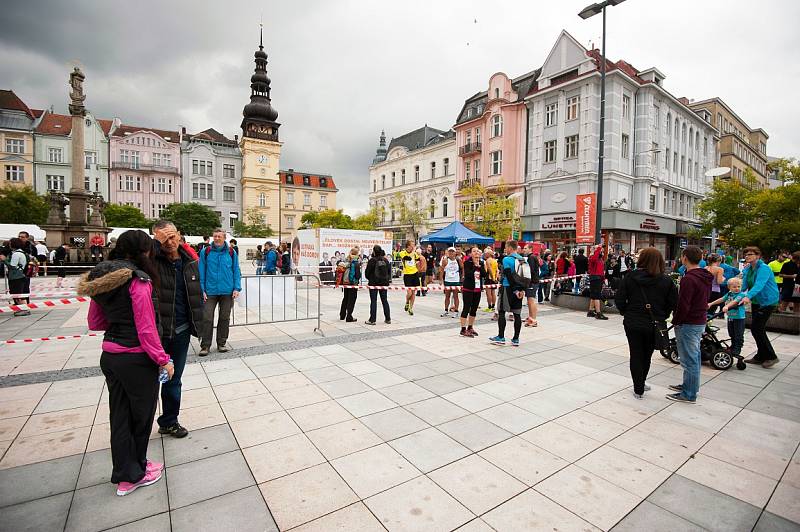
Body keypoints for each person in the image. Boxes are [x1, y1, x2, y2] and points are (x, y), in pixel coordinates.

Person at [78, 229, 173, 496]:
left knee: (119, 416)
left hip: (110, 355)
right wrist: (163, 359)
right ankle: (134, 474)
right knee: (140, 418)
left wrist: (117, 321)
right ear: (144, 252)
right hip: (135, 358)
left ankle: (124, 471)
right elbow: (146, 327)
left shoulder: (104, 277)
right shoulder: (138, 280)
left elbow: (95, 322)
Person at [152, 221, 204, 439]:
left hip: (180, 331)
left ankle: (169, 421)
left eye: (173, 237)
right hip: (156, 334)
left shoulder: (189, 261)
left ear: (180, 235)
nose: (170, 242)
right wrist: (156, 243)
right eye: (164, 239)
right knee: (149, 382)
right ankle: (140, 423)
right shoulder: (151, 262)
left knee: (173, 379)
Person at [615, 247, 677, 399]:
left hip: (633, 321)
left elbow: (620, 299)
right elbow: (673, 302)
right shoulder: (666, 280)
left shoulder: (630, 277)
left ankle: (638, 388)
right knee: (647, 355)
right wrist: (663, 314)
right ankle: (641, 382)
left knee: (635, 354)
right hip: (655, 322)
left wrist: (626, 312)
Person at [666, 245, 712, 404]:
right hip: (698, 320)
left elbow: (683, 304)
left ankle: (689, 393)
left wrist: (676, 321)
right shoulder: (704, 276)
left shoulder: (689, 279)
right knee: (694, 356)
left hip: (689, 322)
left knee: (688, 358)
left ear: (685, 258)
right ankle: (689, 385)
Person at [198, 228, 241, 356]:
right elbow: (201, 271)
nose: (216, 238)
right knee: (207, 318)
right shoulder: (206, 252)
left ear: (224, 238)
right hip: (210, 291)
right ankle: (205, 345)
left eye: (219, 236)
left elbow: (236, 270)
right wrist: (202, 290)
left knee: (224, 318)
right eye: (215, 236)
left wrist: (236, 287)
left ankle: (221, 343)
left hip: (227, 291)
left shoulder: (231, 252)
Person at [740, 246, 781, 368]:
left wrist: (748, 297)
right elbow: (744, 285)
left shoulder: (764, 268)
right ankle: (761, 356)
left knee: (758, 328)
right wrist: (735, 294)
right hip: (757, 301)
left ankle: (771, 356)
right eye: (746, 254)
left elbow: (759, 285)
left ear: (758, 256)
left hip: (768, 301)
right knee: (755, 328)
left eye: (751, 254)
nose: (747, 256)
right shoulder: (748, 269)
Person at [490, 241, 529, 347]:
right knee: (517, 314)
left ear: (510, 248)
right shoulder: (523, 260)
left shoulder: (507, 259)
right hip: (519, 291)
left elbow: (508, 275)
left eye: (506, 248)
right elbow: (527, 277)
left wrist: (514, 289)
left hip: (508, 288)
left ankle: (501, 337)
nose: (505, 250)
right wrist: (521, 290)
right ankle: (516, 339)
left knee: (502, 311)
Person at [708, 277, 746, 360]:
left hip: (739, 318)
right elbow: (722, 299)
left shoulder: (741, 295)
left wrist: (727, 306)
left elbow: (735, 302)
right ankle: (733, 346)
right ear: (729, 287)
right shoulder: (729, 294)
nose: (737, 288)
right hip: (731, 317)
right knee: (732, 333)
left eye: (738, 286)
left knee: (738, 334)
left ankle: (737, 349)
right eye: (734, 287)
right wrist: (711, 303)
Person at [460, 246, 487, 337]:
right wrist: (475, 267)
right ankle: (463, 329)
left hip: (477, 289)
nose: (476, 253)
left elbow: (484, 275)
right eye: (474, 251)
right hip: (468, 289)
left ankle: (470, 327)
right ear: (470, 253)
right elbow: (468, 275)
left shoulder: (482, 262)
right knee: (466, 308)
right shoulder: (467, 262)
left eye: (477, 251)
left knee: (474, 309)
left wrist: (480, 267)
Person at [4, 238, 31, 317]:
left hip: (16, 276)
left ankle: (23, 309)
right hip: (20, 275)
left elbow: (13, 266)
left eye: (10, 244)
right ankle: (23, 308)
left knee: (17, 294)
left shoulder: (16, 254)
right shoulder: (22, 252)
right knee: (20, 293)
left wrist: (4, 260)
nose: (9, 245)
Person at [365, 245, 391, 325]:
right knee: (384, 300)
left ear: (374, 251)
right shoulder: (386, 260)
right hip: (384, 283)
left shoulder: (372, 260)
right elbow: (389, 272)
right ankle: (388, 319)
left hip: (373, 283)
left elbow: (367, 273)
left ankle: (372, 320)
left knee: (373, 301)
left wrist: (371, 279)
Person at [439, 246, 462, 318]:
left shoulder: (458, 260)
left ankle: (456, 311)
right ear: (448, 253)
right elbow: (441, 270)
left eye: (453, 251)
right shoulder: (445, 260)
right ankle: (446, 310)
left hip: (455, 280)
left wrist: (462, 277)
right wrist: (441, 280)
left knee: (456, 296)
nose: (451, 253)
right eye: (450, 251)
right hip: (448, 280)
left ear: (455, 253)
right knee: (447, 296)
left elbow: (462, 268)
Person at [339, 247, 361, 322]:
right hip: (353, 284)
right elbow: (358, 276)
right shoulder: (356, 263)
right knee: (352, 300)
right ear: (357, 254)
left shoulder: (347, 261)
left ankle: (342, 315)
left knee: (345, 298)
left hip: (346, 283)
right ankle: (349, 316)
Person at [399, 240, 420, 315]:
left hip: (415, 274)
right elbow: (408, 258)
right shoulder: (402, 253)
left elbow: (418, 261)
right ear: (408, 246)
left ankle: (411, 308)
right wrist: (413, 252)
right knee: (409, 292)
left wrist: (418, 270)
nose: (413, 246)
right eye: (412, 245)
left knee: (414, 292)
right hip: (407, 275)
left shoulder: (415, 254)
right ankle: (407, 301)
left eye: (414, 245)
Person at [587, 245, 608, 320]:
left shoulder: (600, 259)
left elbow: (601, 270)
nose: (601, 251)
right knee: (597, 296)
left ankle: (590, 311)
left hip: (598, 278)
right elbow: (594, 259)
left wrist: (603, 279)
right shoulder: (592, 257)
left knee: (593, 296)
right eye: (599, 250)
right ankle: (598, 313)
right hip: (595, 278)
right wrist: (598, 248)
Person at [523, 245, 540, 327]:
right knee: (529, 301)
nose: (524, 250)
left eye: (525, 248)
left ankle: (533, 319)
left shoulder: (531, 257)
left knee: (531, 300)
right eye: (524, 248)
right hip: (532, 281)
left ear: (530, 249)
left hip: (532, 282)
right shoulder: (532, 257)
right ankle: (531, 318)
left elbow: (531, 270)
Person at [484, 248, 498, 313]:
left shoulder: (488, 260)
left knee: (488, 293)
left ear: (488, 254)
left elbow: (489, 269)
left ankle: (489, 307)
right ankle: (493, 306)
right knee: (493, 292)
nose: (485, 254)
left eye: (486, 253)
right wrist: (495, 278)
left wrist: (492, 277)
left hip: (489, 277)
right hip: (494, 277)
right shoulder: (495, 260)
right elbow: (497, 270)